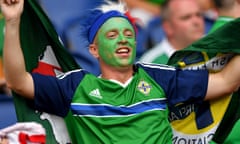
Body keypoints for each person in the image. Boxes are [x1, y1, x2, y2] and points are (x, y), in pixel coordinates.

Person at [2, 0, 240, 143]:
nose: (123, 40)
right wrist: (13, 22)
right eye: (112, 35)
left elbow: (227, 81)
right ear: (94, 50)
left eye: (129, 35)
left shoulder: (158, 77)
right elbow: (18, 82)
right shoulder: (75, 87)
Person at [140, 0, 205, 64]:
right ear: (168, 27)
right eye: (186, 17)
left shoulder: (214, 50)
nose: (196, 22)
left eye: (199, 15)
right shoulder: (151, 64)